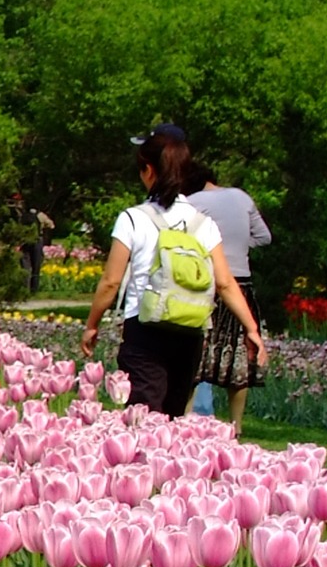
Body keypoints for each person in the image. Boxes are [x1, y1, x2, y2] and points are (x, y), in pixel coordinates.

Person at [81, 134, 265, 418]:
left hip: (144, 329)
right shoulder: (203, 223)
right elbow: (226, 283)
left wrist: (92, 325)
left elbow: (111, 282)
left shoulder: (133, 218)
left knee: (143, 415)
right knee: (173, 417)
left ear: (149, 170)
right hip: (189, 330)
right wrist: (251, 329)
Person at [185, 161, 273, 429]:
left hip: (207, 285)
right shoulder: (241, 197)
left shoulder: (190, 202)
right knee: (238, 360)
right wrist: (237, 245)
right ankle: (236, 426)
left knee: (195, 358)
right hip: (242, 284)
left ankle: (183, 421)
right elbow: (264, 237)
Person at [9, 193, 56, 293]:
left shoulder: (20, 214)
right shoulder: (39, 214)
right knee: (36, 266)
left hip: (24, 241)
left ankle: (24, 288)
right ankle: (34, 289)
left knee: (25, 266)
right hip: (36, 241)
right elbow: (52, 226)